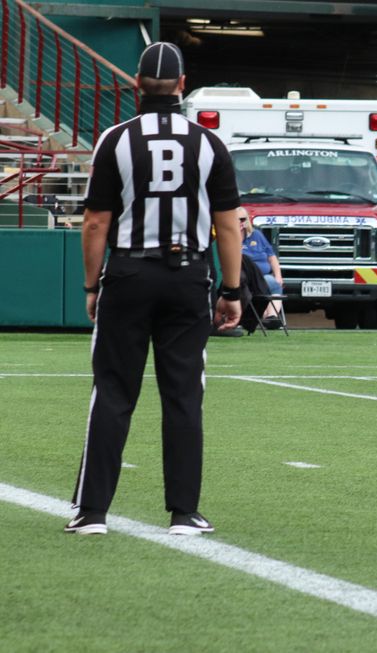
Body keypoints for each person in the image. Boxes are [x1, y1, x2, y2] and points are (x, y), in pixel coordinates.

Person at [65, 42, 243, 536]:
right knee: (184, 395)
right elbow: (229, 228)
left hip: (128, 273)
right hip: (187, 276)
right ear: (183, 85)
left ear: (137, 86)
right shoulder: (209, 143)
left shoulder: (115, 140)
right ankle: (184, 513)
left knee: (114, 391)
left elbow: (96, 223)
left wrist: (91, 284)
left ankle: (92, 512)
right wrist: (232, 290)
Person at [239, 207, 285, 328]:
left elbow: (271, 256)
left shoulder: (257, 235)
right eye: (236, 219)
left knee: (275, 282)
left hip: (263, 276)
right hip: (244, 277)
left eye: (242, 219)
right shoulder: (229, 237)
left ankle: (271, 318)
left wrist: (278, 275)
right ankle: (265, 316)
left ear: (247, 220)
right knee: (268, 282)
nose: (240, 222)